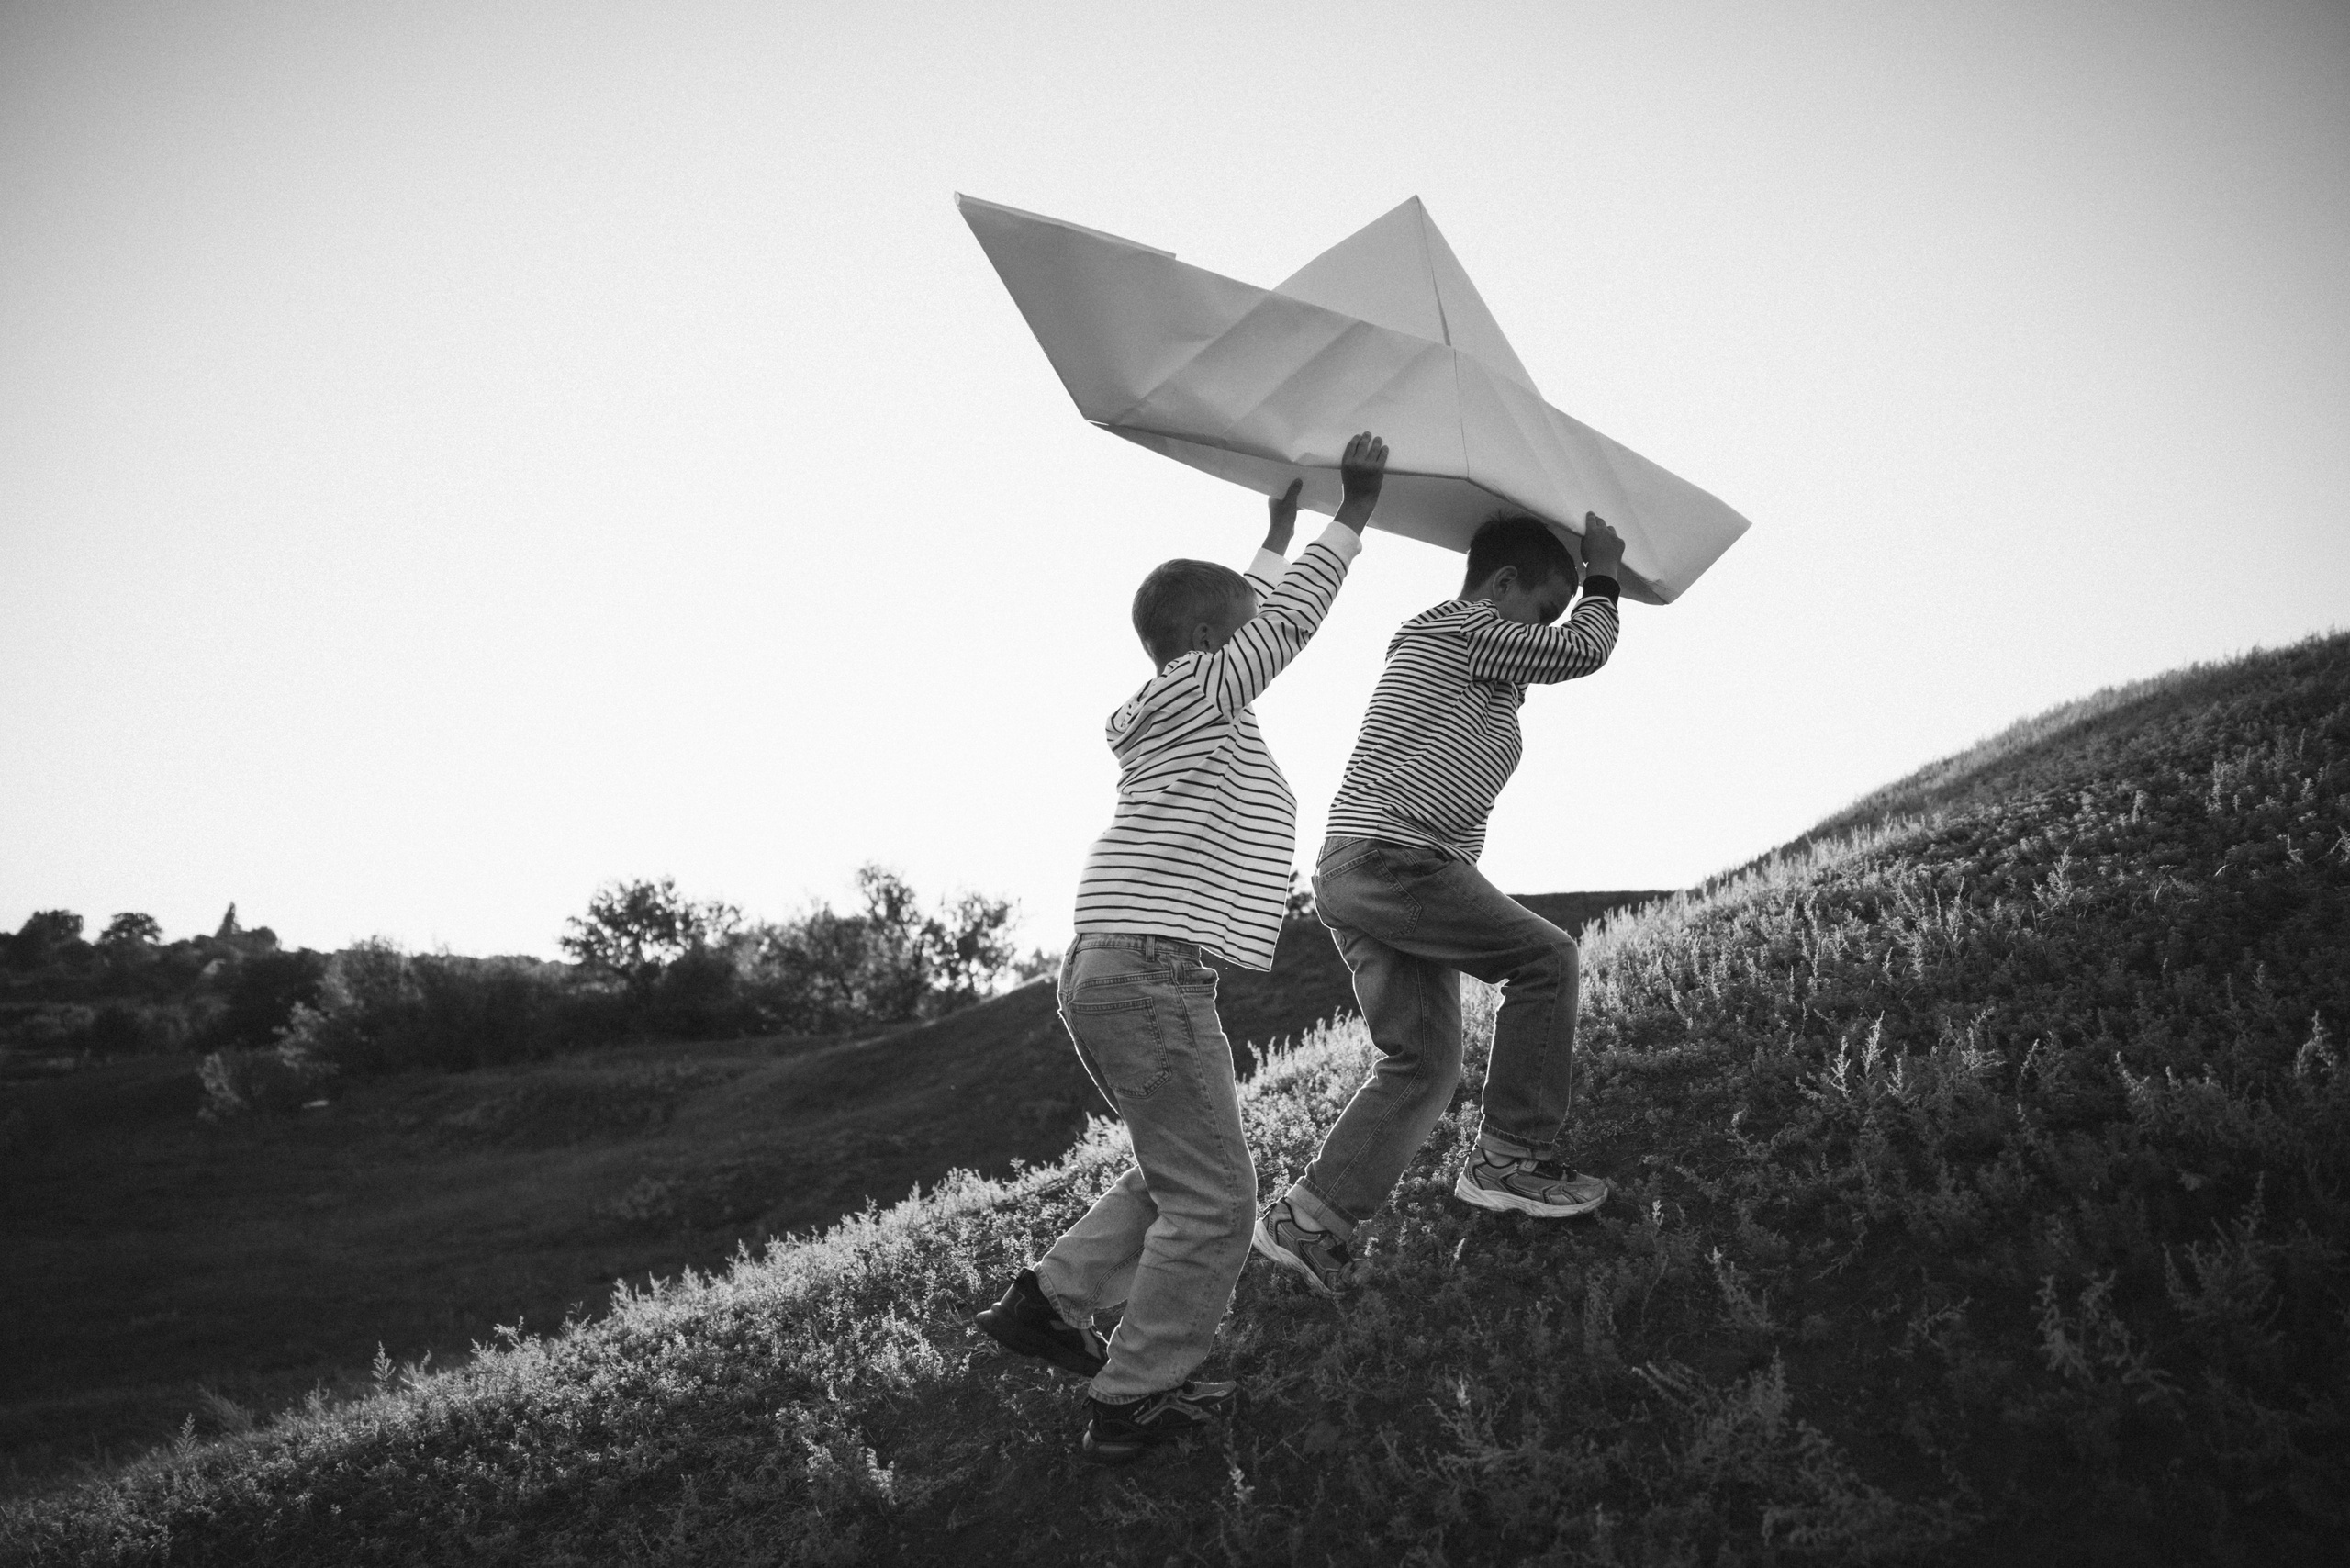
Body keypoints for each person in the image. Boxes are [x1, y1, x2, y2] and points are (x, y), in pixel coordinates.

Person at [976, 432, 1389, 1462]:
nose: (1256, 654)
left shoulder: (1187, 701)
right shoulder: (1203, 692)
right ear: (1208, 638)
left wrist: (1272, 538)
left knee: (1180, 1169)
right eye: (1235, 633)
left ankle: (1050, 1301)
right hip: (1147, 974)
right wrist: (1354, 513)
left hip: (1120, 966)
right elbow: (1281, 624)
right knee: (1218, 1200)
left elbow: (1246, 612)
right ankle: (1135, 1399)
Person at [1251, 510, 1628, 1297]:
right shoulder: (1462, 626)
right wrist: (1603, 574)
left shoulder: (1478, 667)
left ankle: (1309, 1221)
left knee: (1424, 1061)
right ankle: (1509, 1159)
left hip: (1367, 870)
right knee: (1545, 958)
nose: (1548, 629)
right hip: (1395, 858)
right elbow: (1584, 650)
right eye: (1544, 607)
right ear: (1501, 585)